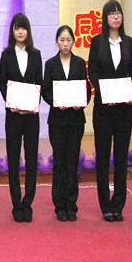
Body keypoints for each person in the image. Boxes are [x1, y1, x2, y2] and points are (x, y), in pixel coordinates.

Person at [87, 0, 132, 222]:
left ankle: (118, 204)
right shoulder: (97, 41)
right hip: (104, 108)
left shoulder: (129, 42)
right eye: (112, 13)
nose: (116, 16)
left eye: (119, 13)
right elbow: (92, 71)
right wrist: (105, 92)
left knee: (121, 156)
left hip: (124, 108)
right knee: (103, 155)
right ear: (105, 18)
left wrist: (127, 89)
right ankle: (105, 205)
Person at [42, 25, 91, 222]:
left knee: (73, 163)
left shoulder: (79, 63)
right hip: (57, 120)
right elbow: (46, 90)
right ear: (57, 41)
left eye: (68, 40)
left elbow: (86, 89)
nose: (65, 44)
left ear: (73, 42)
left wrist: (82, 102)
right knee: (59, 163)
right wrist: (56, 101)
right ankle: (59, 205)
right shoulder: (50, 64)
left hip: (75, 120)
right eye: (62, 40)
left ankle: (72, 204)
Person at [0, 13, 43, 223]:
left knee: (32, 160)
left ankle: (28, 203)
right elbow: (2, 83)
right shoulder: (6, 54)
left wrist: (33, 102)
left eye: (23, 28)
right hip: (14, 116)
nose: (20, 32)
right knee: (14, 159)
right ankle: (16, 204)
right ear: (12, 31)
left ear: (28, 31)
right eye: (17, 28)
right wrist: (11, 101)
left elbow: (39, 82)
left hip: (31, 117)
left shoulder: (36, 54)